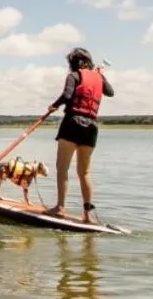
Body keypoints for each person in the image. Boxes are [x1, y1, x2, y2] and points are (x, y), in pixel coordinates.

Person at [43, 47, 113, 222]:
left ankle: (60, 207)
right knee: (85, 172)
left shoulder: (74, 76)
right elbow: (110, 92)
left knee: (62, 169)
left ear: (73, 63)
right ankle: (87, 215)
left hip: (73, 123)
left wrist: (54, 105)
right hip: (91, 127)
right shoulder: (98, 77)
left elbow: (67, 95)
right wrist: (101, 76)